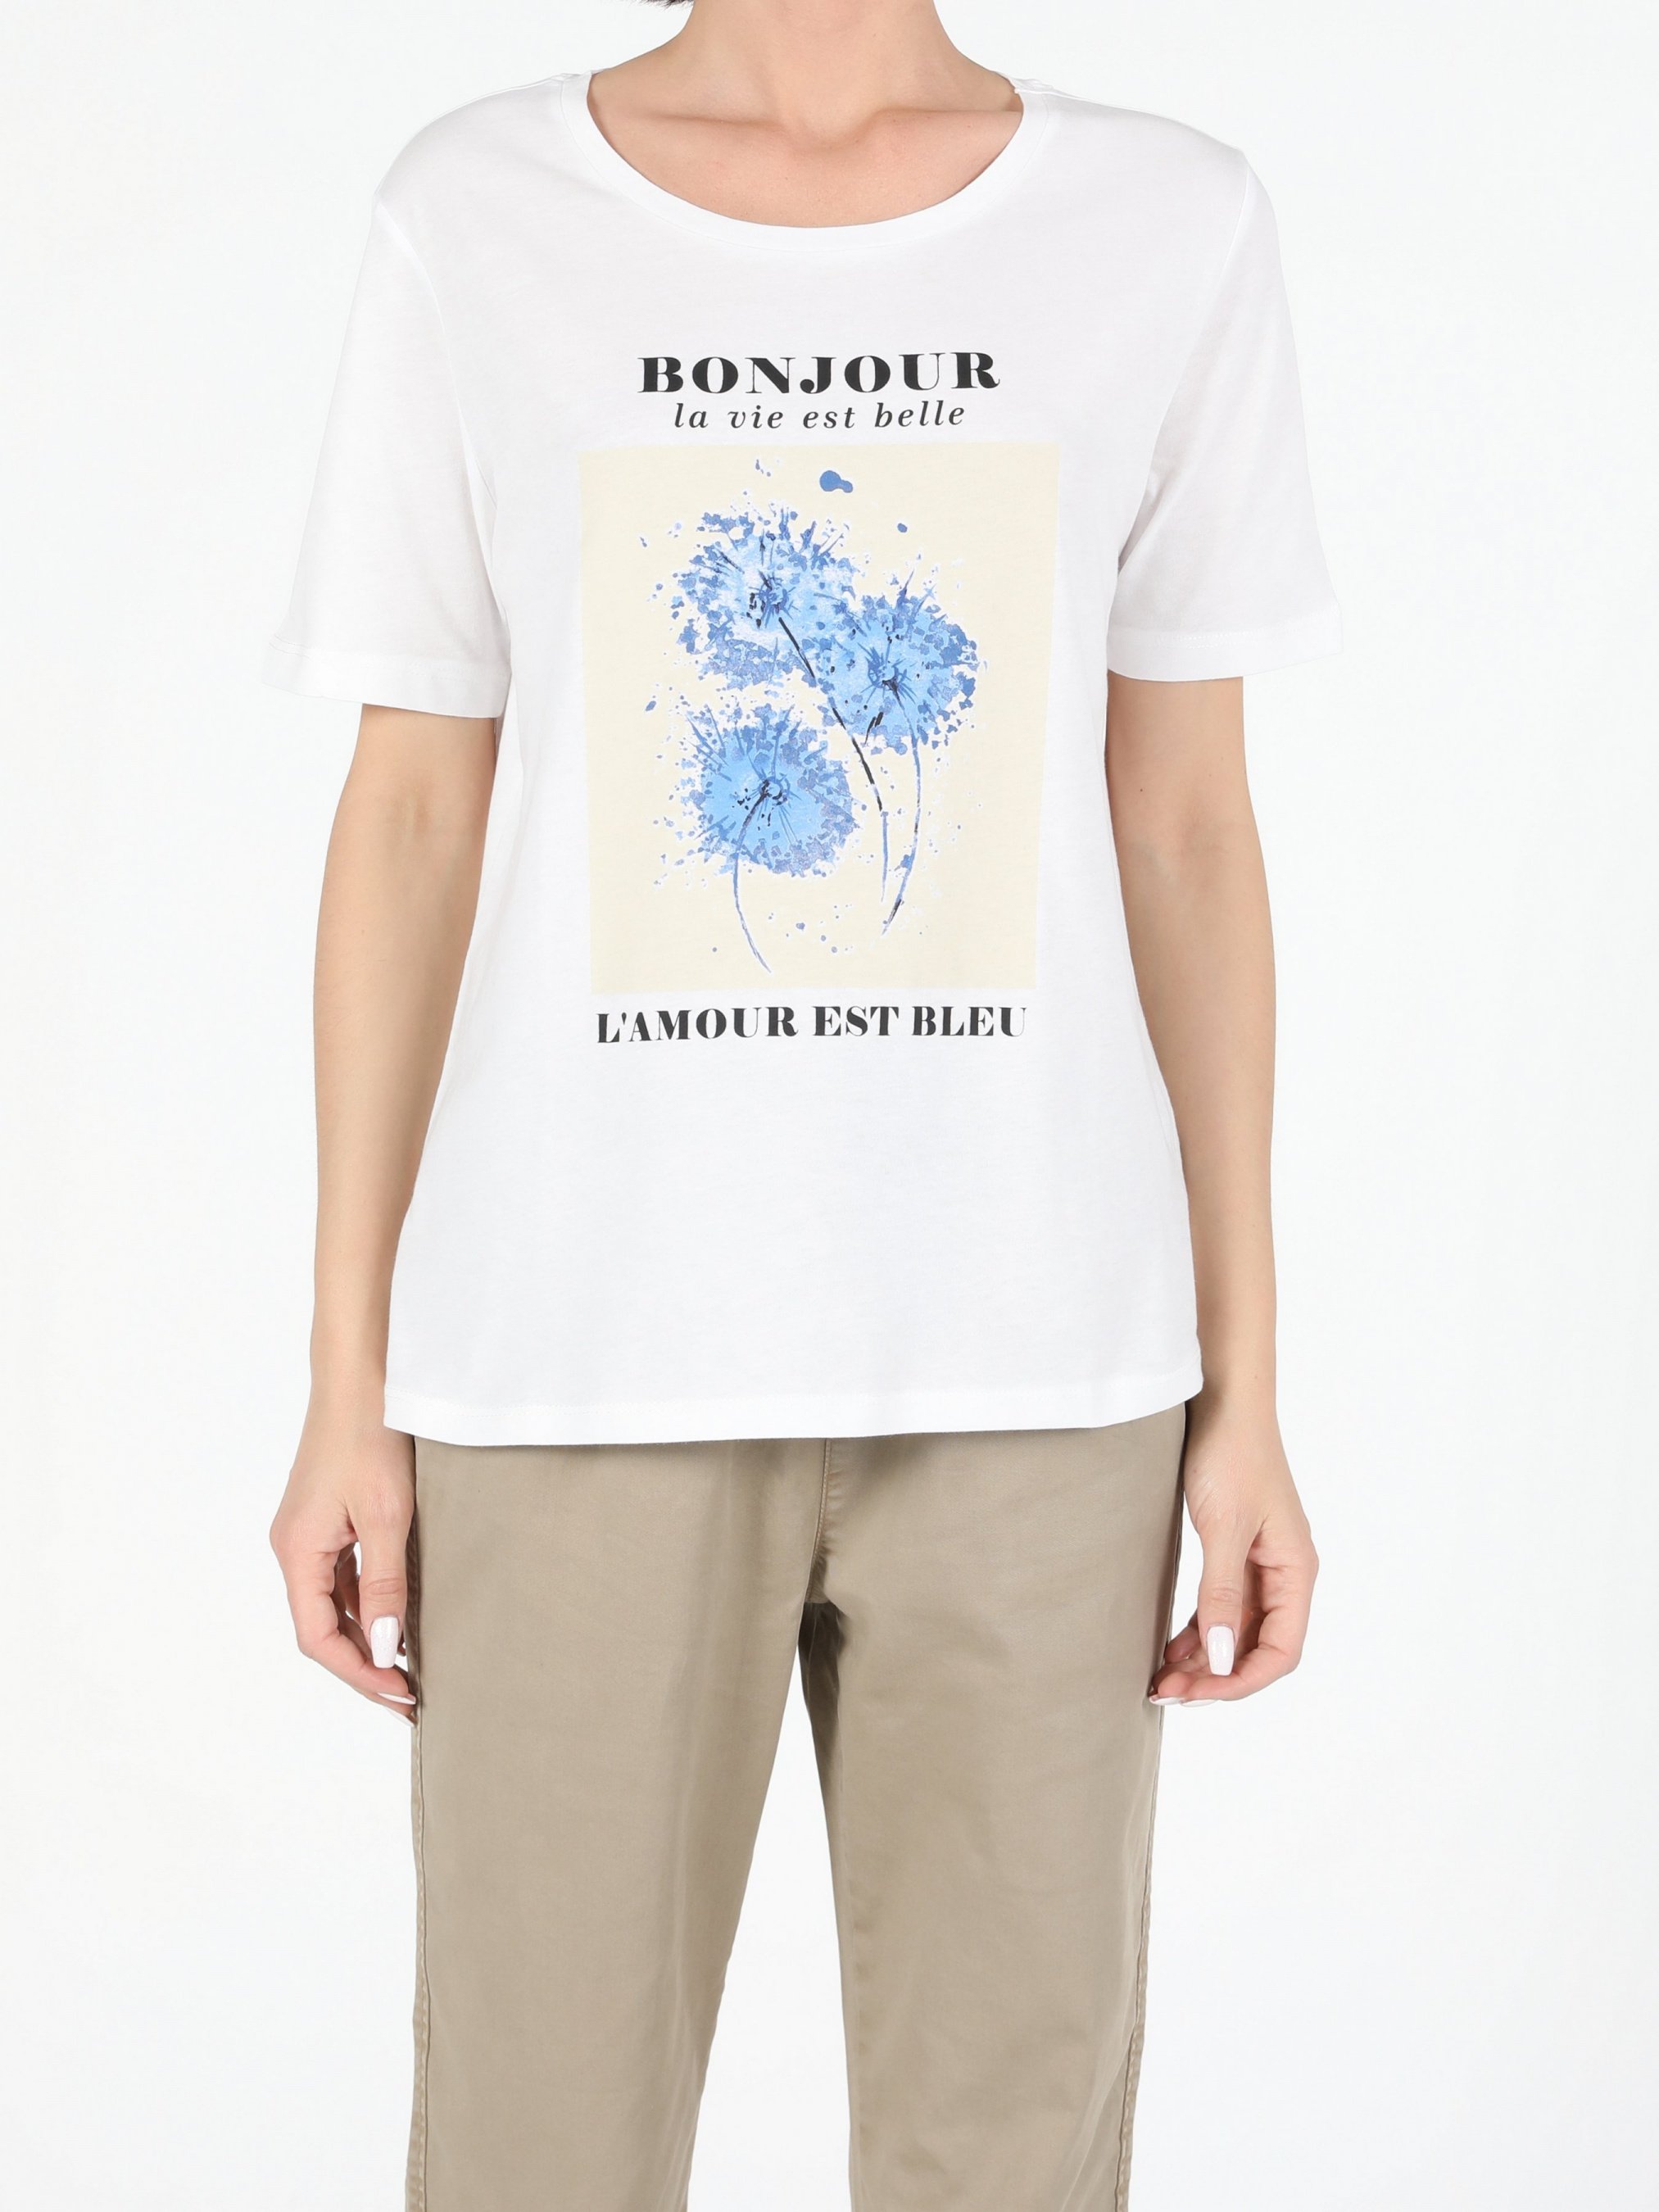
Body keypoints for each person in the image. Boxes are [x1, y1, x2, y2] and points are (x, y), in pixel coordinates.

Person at [265, 1, 1336, 2204]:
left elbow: (1188, 830)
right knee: (537, 2153)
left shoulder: (1168, 222)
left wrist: (1246, 1391)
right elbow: (410, 816)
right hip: (572, 1365)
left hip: (1041, 1372)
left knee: (1011, 2158)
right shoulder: (475, 212)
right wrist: (345, 1384)